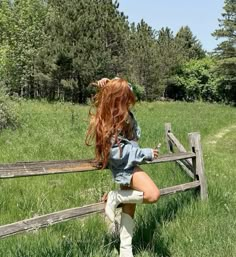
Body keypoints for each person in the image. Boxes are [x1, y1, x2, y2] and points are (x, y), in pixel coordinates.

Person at [86, 77, 160, 257]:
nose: (130, 100)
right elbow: (118, 153)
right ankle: (114, 196)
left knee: (129, 208)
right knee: (152, 194)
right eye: (125, 97)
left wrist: (110, 82)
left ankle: (125, 252)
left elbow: (126, 88)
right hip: (123, 166)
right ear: (118, 98)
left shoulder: (119, 113)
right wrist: (145, 153)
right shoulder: (110, 119)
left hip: (126, 164)